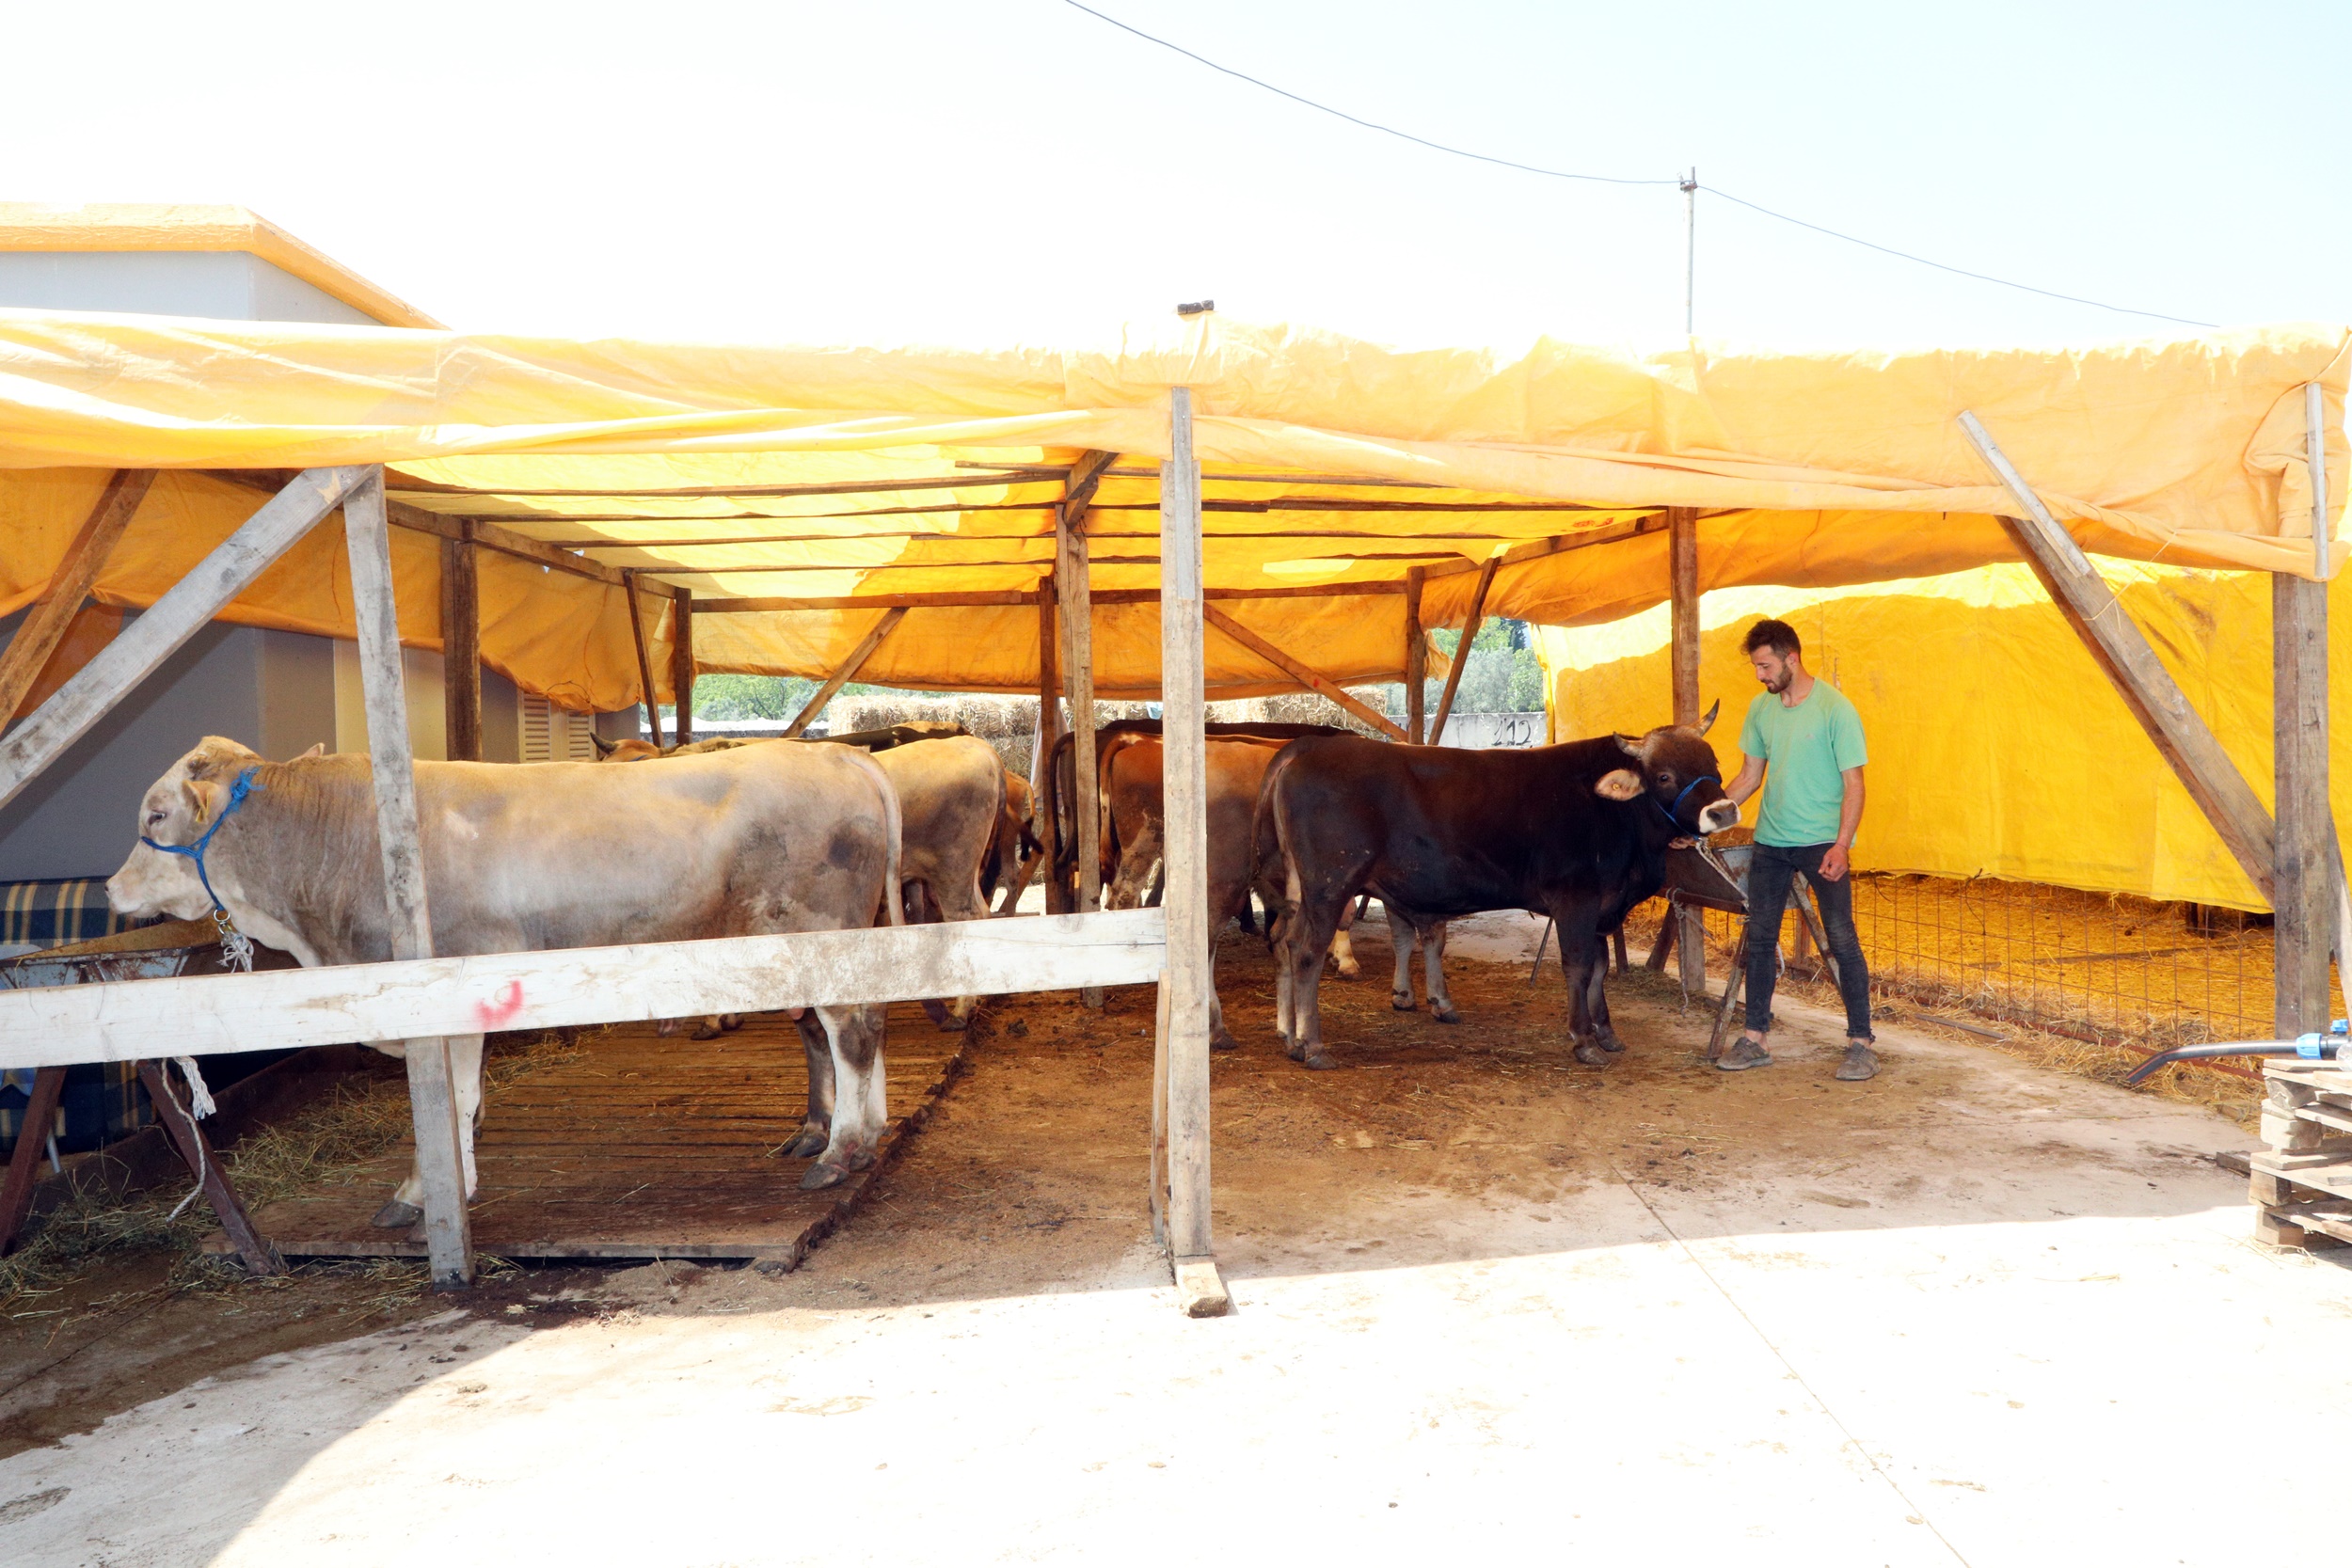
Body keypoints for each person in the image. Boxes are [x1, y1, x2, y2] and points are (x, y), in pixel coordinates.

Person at [1716, 619, 1878, 1080]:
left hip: (1823, 842)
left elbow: (1855, 785)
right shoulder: (1761, 709)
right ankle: (1755, 1039)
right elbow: (1749, 777)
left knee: (1841, 938)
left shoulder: (1835, 710)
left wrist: (1842, 844)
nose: (1759, 676)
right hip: (1771, 841)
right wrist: (1709, 820)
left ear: (1792, 658)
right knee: (1761, 938)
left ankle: (1861, 1043)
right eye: (1756, 667)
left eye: (1765, 666)